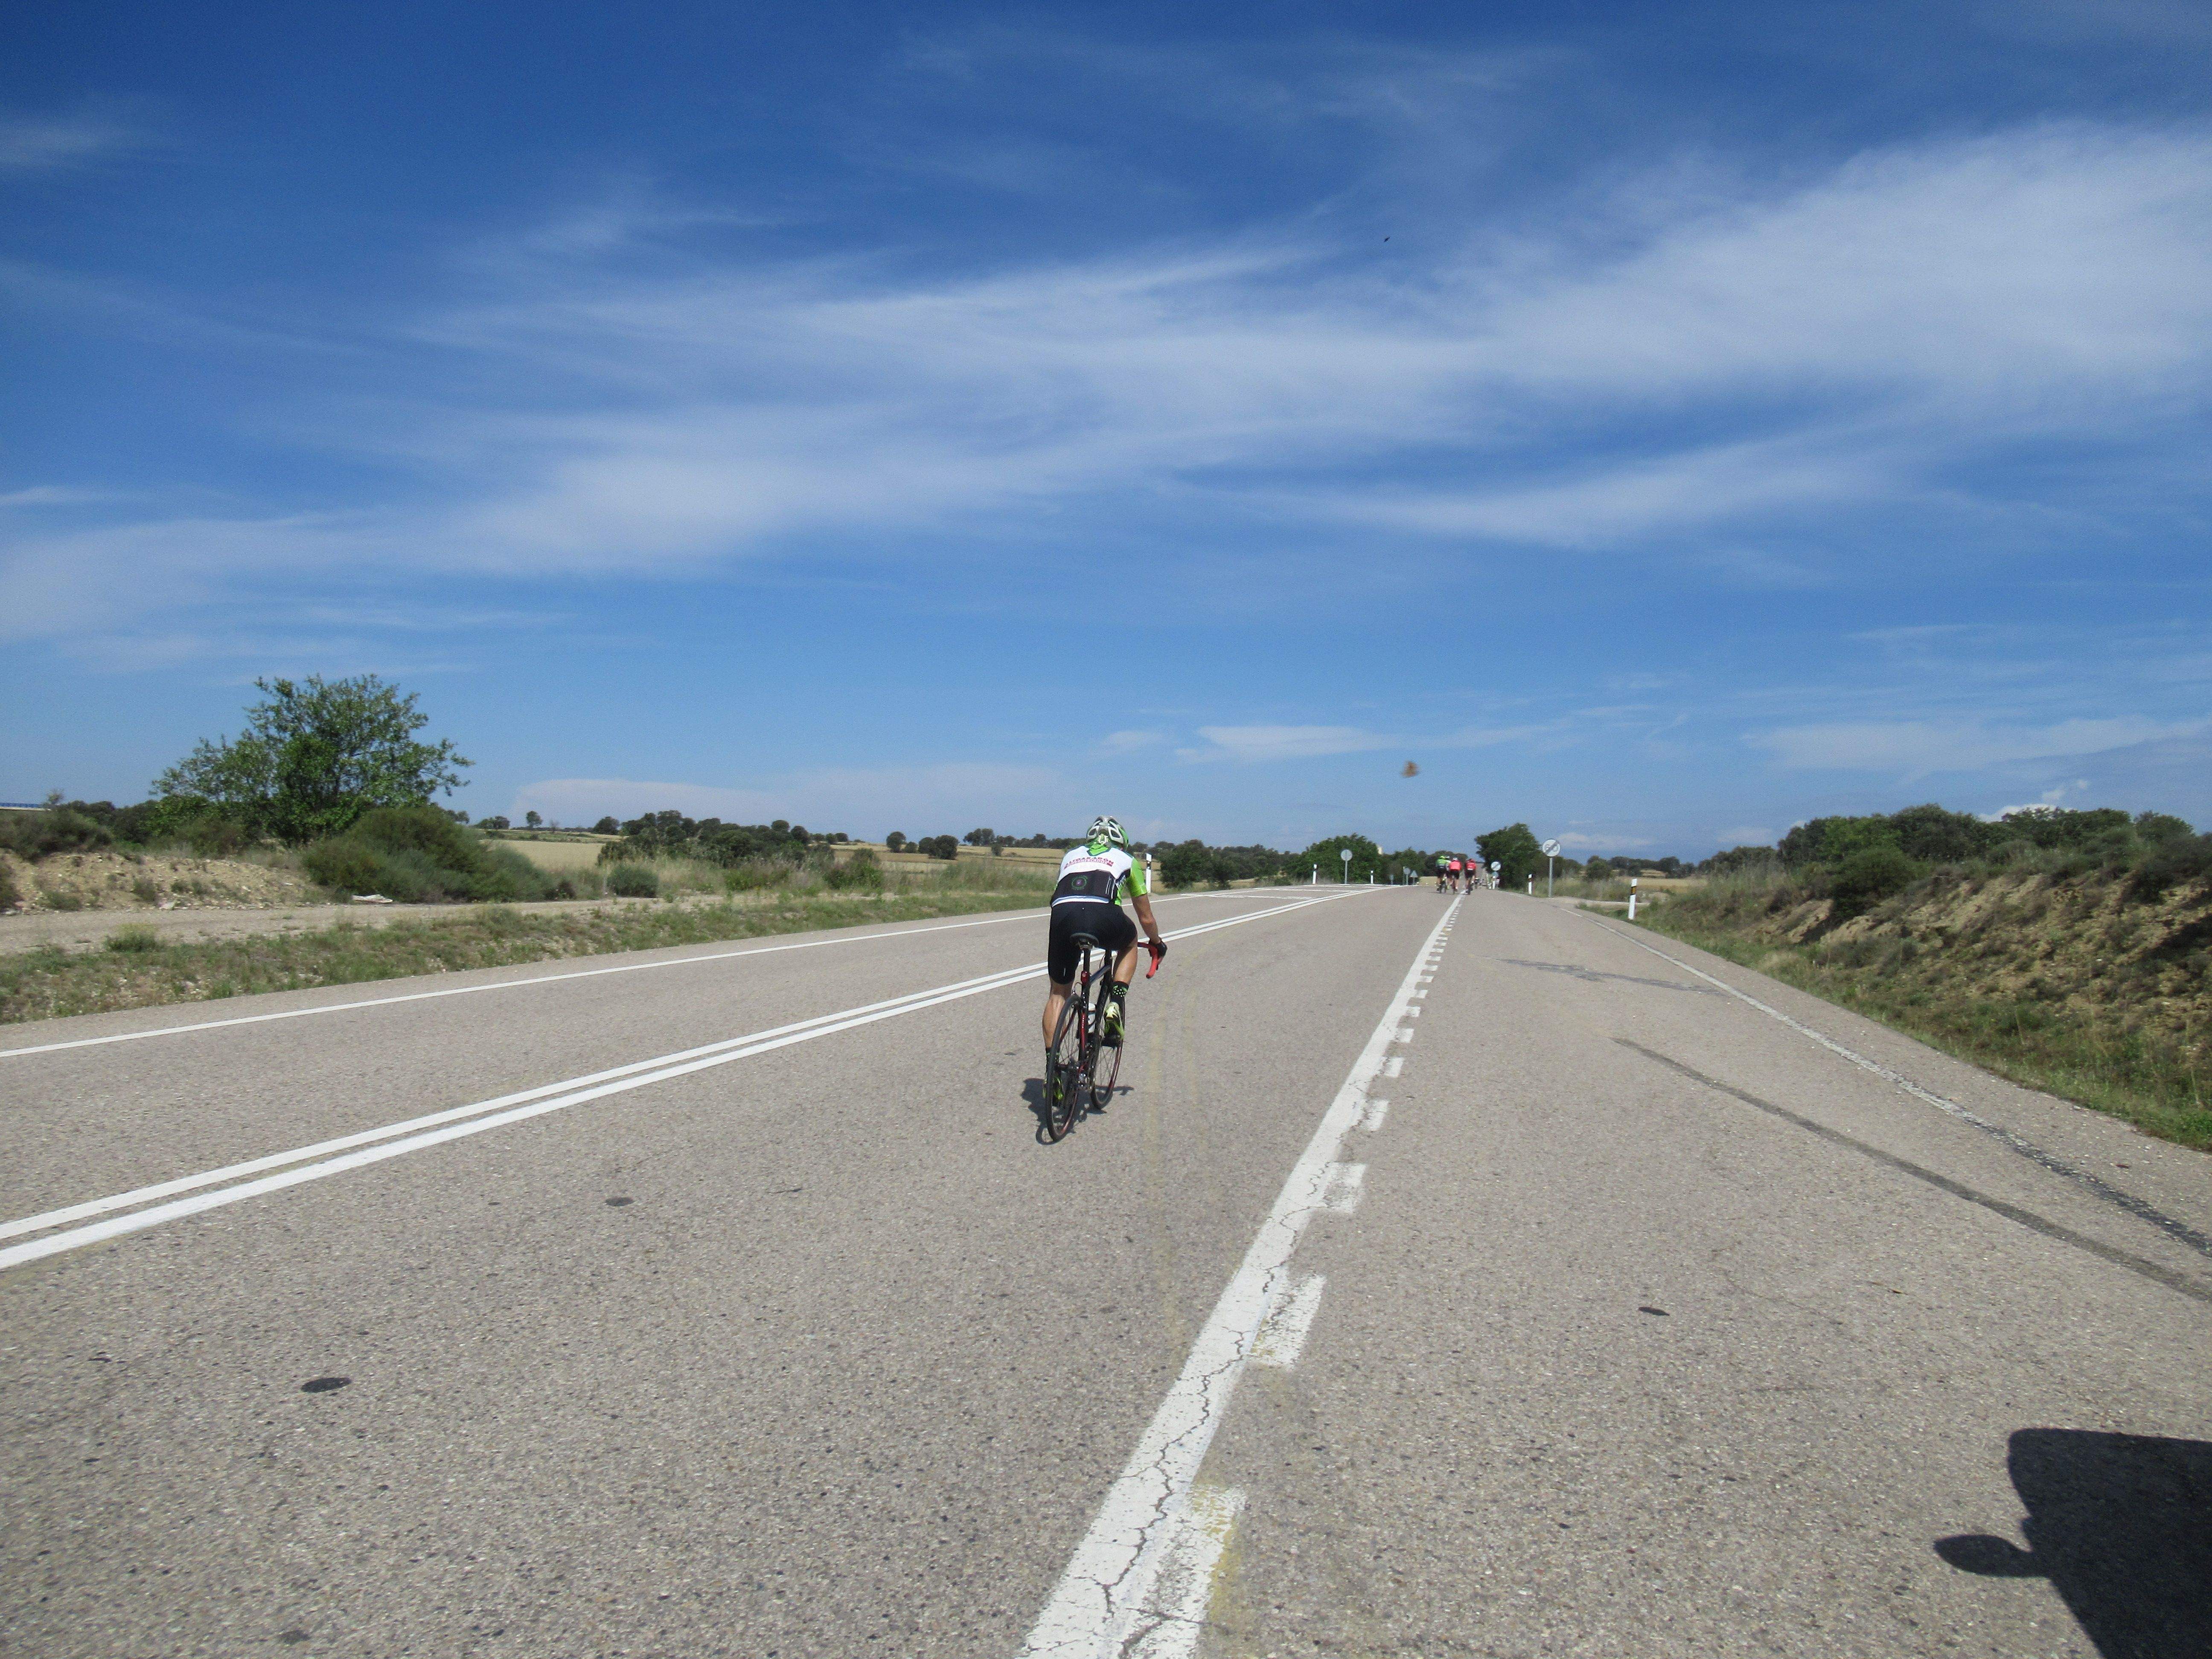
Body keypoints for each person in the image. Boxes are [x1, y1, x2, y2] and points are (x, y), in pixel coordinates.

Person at [1044, 816, 1165, 1054]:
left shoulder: (1070, 855)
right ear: (1122, 843)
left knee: (1058, 994)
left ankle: (1053, 1069)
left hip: (1063, 915)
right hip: (1104, 914)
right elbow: (1146, 919)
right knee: (1129, 943)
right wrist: (1157, 942)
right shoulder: (1127, 860)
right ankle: (1116, 1003)